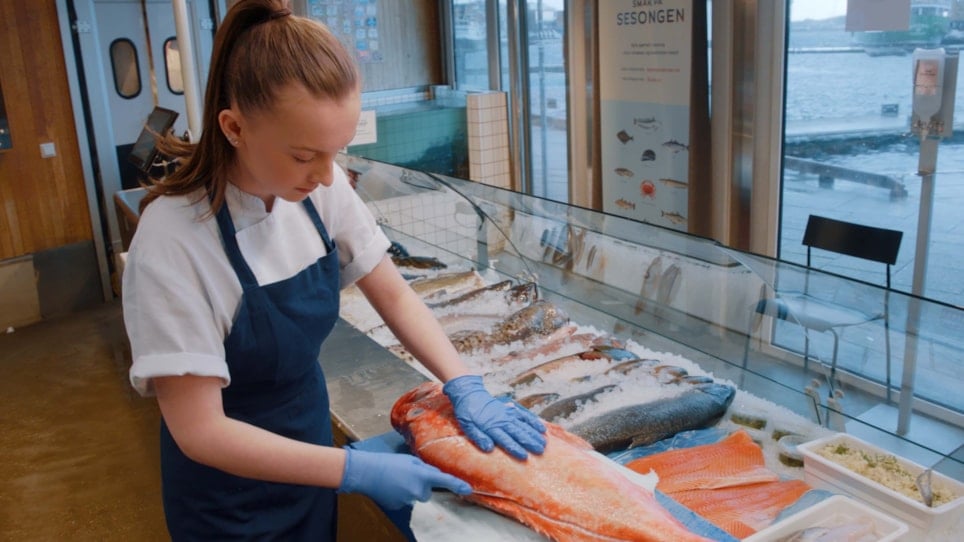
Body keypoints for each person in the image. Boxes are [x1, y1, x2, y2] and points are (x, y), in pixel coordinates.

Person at [121, 1, 547, 539]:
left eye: (337, 151)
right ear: (233, 127)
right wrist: (355, 469)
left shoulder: (320, 192)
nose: (326, 175)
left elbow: (393, 295)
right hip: (227, 501)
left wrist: (463, 382)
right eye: (304, 156)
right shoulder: (175, 239)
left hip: (309, 458)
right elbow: (201, 432)